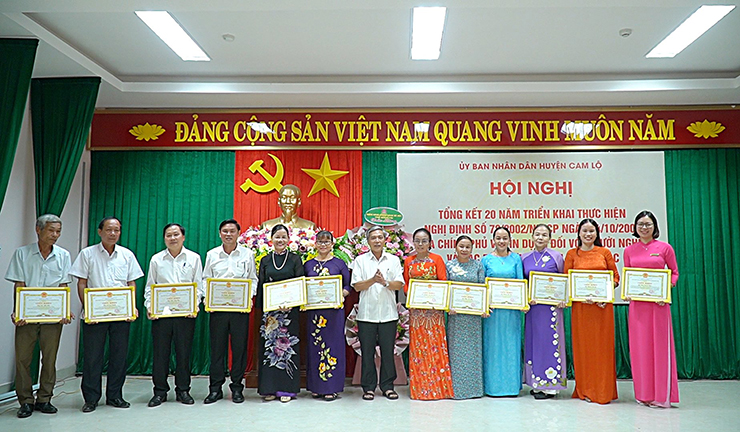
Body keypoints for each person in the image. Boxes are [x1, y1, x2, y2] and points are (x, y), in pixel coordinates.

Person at [69, 217, 144, 413]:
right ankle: (91, 398)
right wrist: (88, 307)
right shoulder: (87, 254)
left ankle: (115, 395)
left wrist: (131, 306)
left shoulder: (127, 255)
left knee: (119, 356)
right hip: (95, 315)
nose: (113, 233)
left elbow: (131, 283)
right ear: (100, 231)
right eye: (109, 229)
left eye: (116, 230)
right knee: (93, 357)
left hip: (121, 315)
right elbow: (82, 283)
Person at [5, 215, 73, 418]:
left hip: (53, 318)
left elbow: (63, 286)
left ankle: (44, 399)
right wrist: (18, 311)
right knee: (23, 359)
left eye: (58, 231)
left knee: (49, 359)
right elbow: (19, 285)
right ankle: (25, 401)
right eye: (51, 230)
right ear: (38, 229)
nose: (55, 235)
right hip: (27, 316)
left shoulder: (63, 255)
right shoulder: (22, 253)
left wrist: (65, 310)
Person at [144, 223, 203, 407]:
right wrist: (150, 307)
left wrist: (194, 306)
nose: (172, 238)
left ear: (183, 237)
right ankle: (159, 391)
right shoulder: (156, 259)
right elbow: (150, 287)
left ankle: (183, 390)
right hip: (161, 316)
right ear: (164, 238)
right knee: (160, 354)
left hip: (185, 316)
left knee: (184, 354)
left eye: (176, 234)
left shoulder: (194, 258)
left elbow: (199, 287)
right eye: (168, 235)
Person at [624, 211, 679, 408]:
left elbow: (674, 273)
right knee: (640, 349)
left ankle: (661, 396)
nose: (644, 228)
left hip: (659, 306)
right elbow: (628, 275)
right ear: (635, 227)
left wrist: (667, 288)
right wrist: (627, 291)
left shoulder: (665, 248)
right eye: (640, 224)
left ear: (655, 227)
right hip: (638, 307)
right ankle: (643, 394)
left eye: (648, 224)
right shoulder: (629, 250)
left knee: (660, 349)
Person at [564, 218, 620, 404]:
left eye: (591, 231)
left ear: (597, 233)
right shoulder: (572, 254)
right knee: (584, 349)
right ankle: (585, 389)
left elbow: (615, 278)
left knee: (602, 349)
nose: (588, 234)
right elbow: (567, 280)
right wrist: (577, 294)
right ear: (578, 233)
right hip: (581, 309)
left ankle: (603, 391)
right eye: (585, 231)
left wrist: (604, 295)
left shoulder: (605, 252)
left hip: (602, 308)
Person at [202, 219, 257, 404]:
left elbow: (253, 279)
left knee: (239, 349)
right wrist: (208, 298)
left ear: (238, 233)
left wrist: (248, 297)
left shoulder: (247, 254)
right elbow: (205, 279)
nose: (228, 234)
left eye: (232, 231)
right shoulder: (212, 254)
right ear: (220, 234)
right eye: (225, 231)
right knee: (217, 349)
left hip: (239, 310)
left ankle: (237, 388)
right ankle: (215, 389)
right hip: (217, 309)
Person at [351, 225, 404, 401]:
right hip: (366, 315)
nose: (377, 240)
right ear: (367, 241)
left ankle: (388, 386)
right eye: (373, 237)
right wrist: (373, 280)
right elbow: (357, 286)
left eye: (380, 237)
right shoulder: (360, 260)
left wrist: (385, 282)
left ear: (385, 240)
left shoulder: (393, 260)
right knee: (367, 353)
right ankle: (368, 387)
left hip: (388, 314)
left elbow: (399, 284)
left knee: (388, 352)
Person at [256, 224, 305, 402]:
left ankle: (287, 390)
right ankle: (269, 389)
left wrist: (293, 304)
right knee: (270, 350)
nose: (280, 240)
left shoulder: (295, 259)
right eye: (277, 237)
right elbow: (261, 285)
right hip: (271, 315)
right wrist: (263, 307)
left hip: (289, 314)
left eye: (284, 237)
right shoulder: (265, 260)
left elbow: (300, 282)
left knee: (287, 349)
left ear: (289, 239)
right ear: (271, 239)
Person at [404, 228, 453, 400]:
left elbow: (443, 282)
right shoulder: (408, 261)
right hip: (417, 312)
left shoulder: (437, 259)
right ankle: (420, 389)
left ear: (430, 243)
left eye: (424, 240)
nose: (420, 244)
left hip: (434, 312)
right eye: (417, 240)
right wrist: (413, 295)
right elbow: (406, 284)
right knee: (419, 349)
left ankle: (439, 389)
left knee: (435, 346)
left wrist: (434, 299)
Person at [521, 224, 567, 400]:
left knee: (550, 344)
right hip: (533, 309)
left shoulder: (556, 257)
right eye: (537, 234)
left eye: (544, 235)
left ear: (550, 238)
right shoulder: (524, 257)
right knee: (534, 344)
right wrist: (526, 298)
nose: (540, 238)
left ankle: (551, 386)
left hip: (551, 310)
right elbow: (522, 283)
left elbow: (564, 280)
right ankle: (536, 383)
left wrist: (563, 298)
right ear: (532, 236)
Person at [303, 230, 350, 401]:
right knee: (315, 347)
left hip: (334, 313)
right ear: (315, 244)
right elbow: (302, 287)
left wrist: (340, 295)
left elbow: (348, 286)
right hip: (314, 314)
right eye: (320, 242)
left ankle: (332, 387)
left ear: (332, 244)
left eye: (326, 242)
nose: (323, 245)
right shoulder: (308, 264)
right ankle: (316, 387)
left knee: (333, 347)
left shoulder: (339, 264)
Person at [480, 226, 524, 397]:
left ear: (510, 240)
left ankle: (511, 386)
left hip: (511, 312)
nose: (501, 241)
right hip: (492, 313)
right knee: (493, 347)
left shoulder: (516, 259)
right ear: (493, 240)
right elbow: (482, 286)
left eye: (505, 238)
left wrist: (522, 302)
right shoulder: (486, 260)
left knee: (511, 347)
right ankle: (492, 387)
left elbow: (520, 282)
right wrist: (484, 305)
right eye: (498, 238)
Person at [445, 235, 485, 399]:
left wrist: (483, 308)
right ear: (455, 247)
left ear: (472, 249)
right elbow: (446, 289)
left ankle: (474, 389)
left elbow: (483, 288)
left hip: (473, 317)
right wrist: (448, 306)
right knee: (456, 351)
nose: (464, 249)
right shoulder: (449, 265)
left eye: (467, 247)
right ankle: (456, 389)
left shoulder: (478, 265)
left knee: (473, 351)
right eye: (461, 246)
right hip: (456, 316)